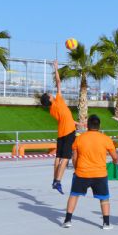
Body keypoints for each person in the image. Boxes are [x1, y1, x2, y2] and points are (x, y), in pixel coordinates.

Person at [61, 115, 118, 229]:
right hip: (100, 174)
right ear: (99, 126)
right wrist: (115, 163)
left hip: (82, 173)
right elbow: (115, 157)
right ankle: (106, 223)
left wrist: (77, 169)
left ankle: (67, 220)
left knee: (74, 195)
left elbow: (74, 158)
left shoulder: (79, 138)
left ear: (87, 126)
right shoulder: (105, 139)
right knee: (104, 198)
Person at [40, 60, 82, 194]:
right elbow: (58, 82)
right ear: (50, 98)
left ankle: (54, 179)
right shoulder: (58, 101)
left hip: (61, 133)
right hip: (69, 133)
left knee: (58, 157)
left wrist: (79, 124)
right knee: (65, 158)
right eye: (49, 94)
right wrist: (56, 68)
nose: (51, 93)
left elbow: (67, 119)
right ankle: (58, 181)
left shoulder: (52, 110)